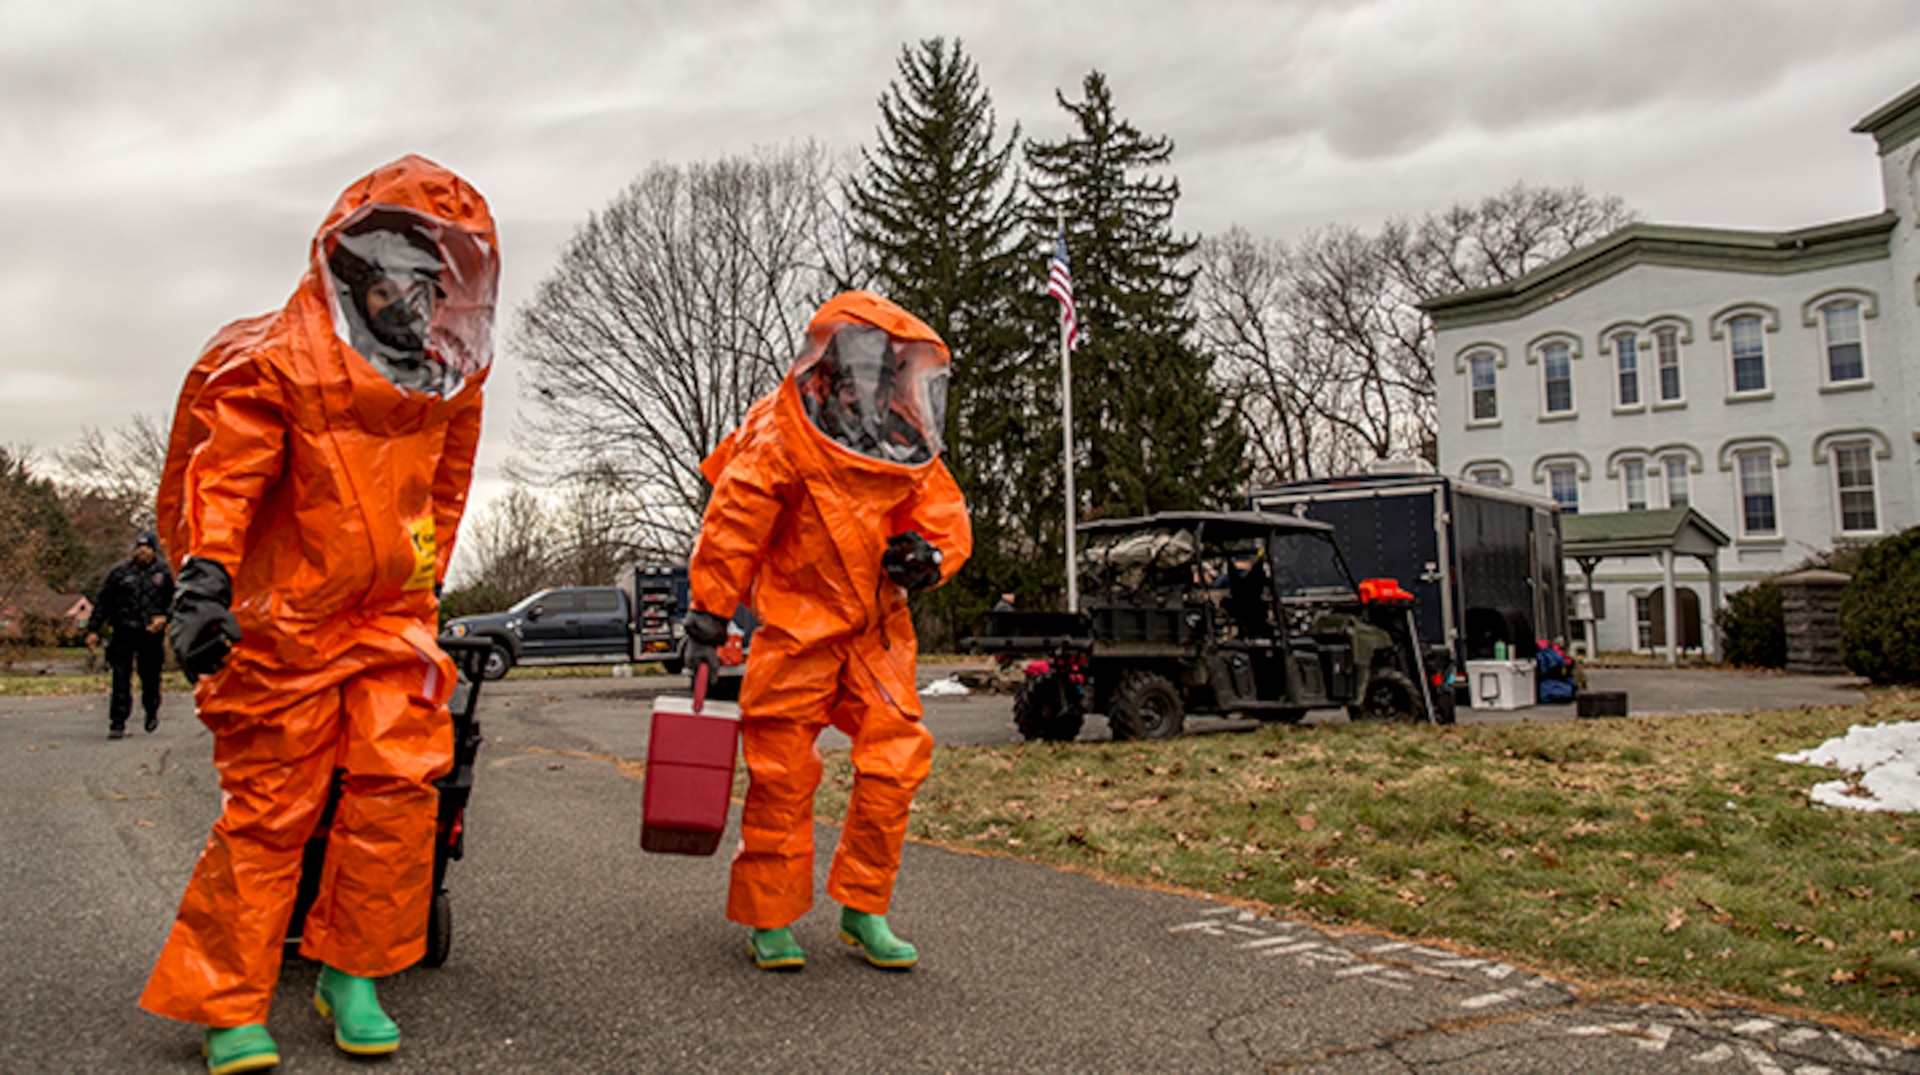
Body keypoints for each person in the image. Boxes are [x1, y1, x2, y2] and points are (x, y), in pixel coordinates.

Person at [139, 155, 498, 1075]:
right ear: (352, 268)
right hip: (285, 619)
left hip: (387, 618)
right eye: (395, 277)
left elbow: (443, 497)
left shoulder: (446, 380)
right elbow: (229, 472)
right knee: (271, 809)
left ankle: (354, 972)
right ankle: (228, 998)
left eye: (432, 283)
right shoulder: (277, 360)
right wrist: (207, 580)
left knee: (397, 794)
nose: (412, 301)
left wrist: (423, 590)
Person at [685, 291, 970, 972]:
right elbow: (736, 519)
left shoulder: (904, 441)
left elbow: (945, 517)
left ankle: (865, 904)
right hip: (795, 628)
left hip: (875, 632)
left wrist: (930, 559)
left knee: (896, 761)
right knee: (783, 774)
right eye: (856, 377)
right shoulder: (782, 433)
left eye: (879, 379)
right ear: (829, 374)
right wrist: (709, 612)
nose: (867, 392)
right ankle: (771, 914)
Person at [85, 530, 173, 737]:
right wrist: (93, 630)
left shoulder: (165, 573)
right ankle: (117, 723)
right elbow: (102, 602)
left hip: (150, 634)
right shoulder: (120, 573)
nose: (142, 551)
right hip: (123, 631)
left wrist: (165, 618)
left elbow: (177, 601)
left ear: (153, 550)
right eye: (139, 547)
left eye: (147, 547)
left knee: (150, 677)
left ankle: (151, 710)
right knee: (120, 678)